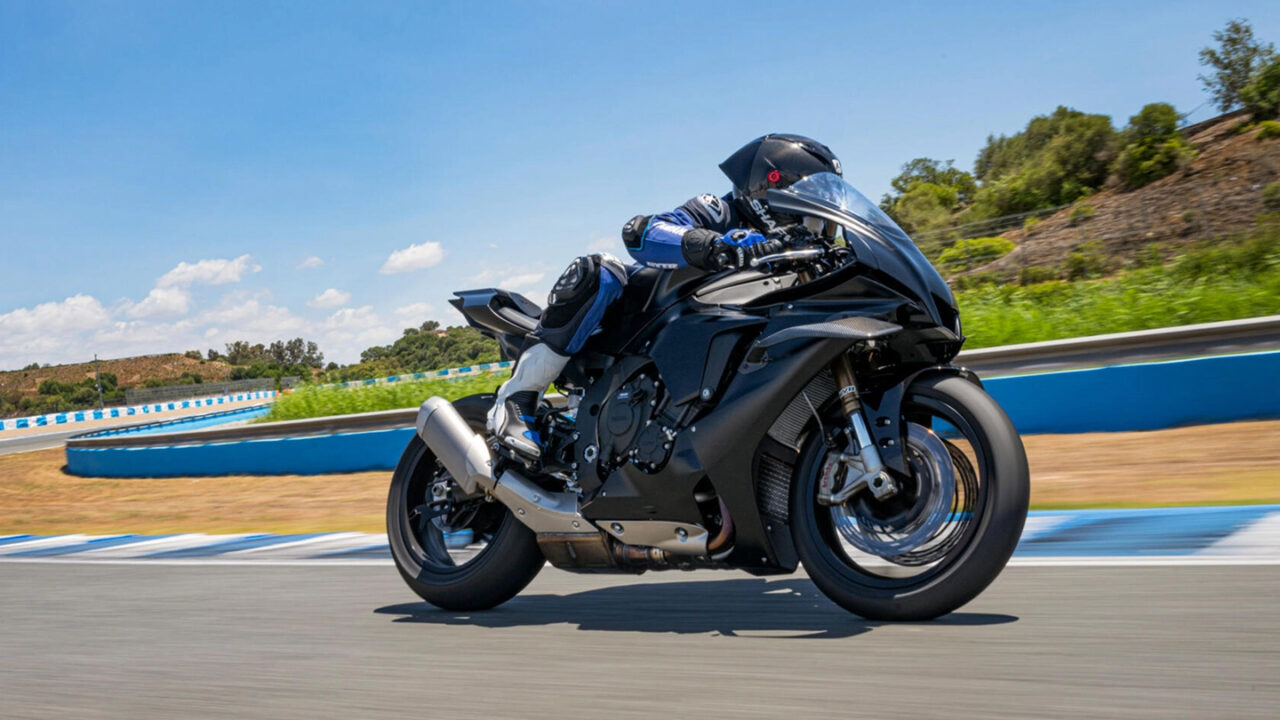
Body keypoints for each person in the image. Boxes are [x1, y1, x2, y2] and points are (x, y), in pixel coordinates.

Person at [487, 134, 844, 458]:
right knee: (601, 271)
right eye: (810, 202)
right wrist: (718, 246)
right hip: (642, 325)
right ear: (771, 188)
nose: (816, 220)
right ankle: (517, 400)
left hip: (719, 360)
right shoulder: (719, 211)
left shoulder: (800, 257)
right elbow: (642, 233)